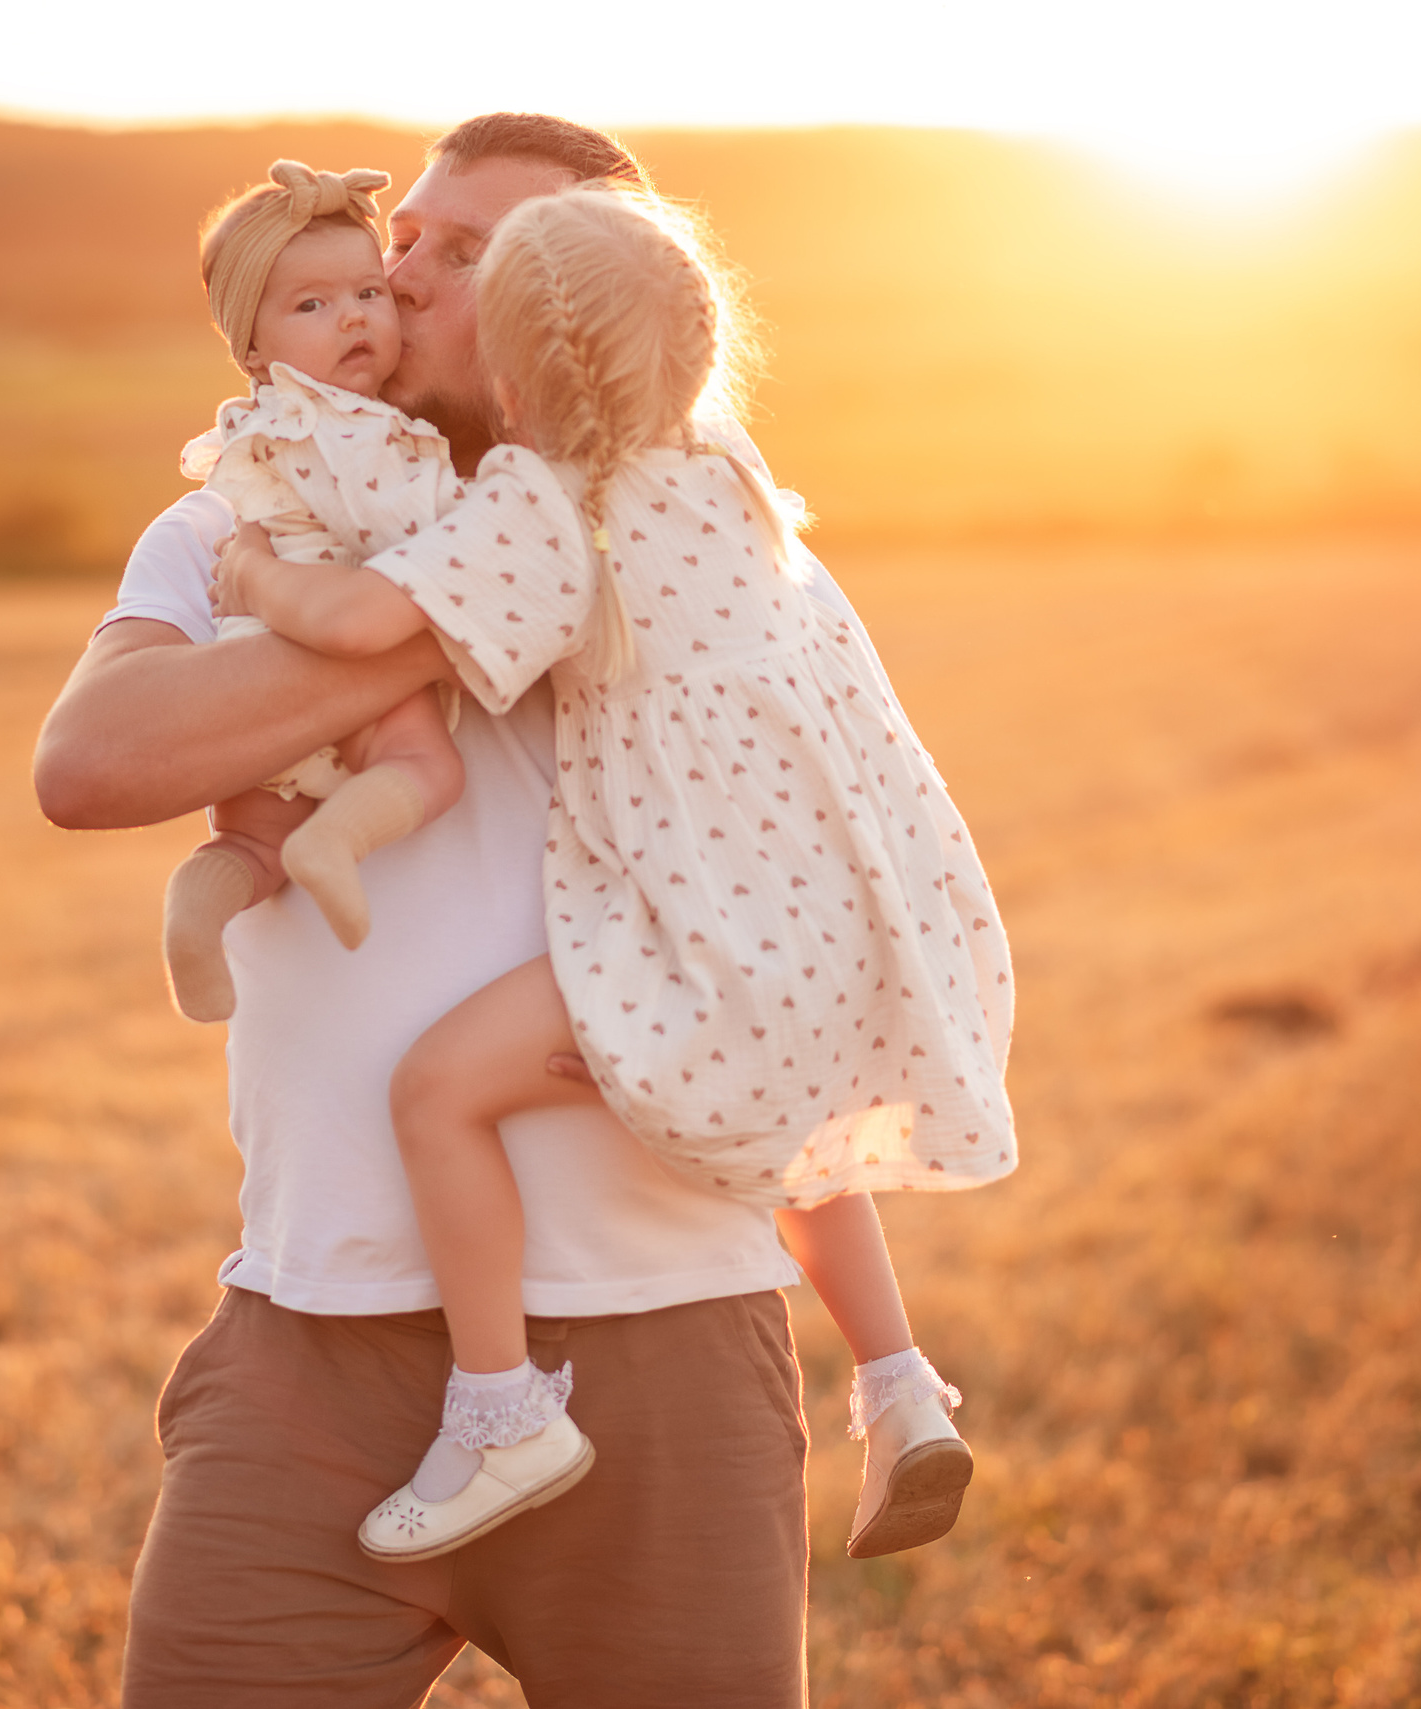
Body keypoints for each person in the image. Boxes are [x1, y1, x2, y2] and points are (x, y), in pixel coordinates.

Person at [33, 113, 930, 1709]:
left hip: (665, 1341)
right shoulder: (245, 519)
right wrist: (460, 605)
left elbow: (834, 874)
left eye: (478, 255)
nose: (411, 274)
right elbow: (92, 763)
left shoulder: (714, 542)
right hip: (310, 1340)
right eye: (417, 241)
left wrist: (533, 559)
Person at [224, 186, 1017, 1567]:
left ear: (516, 377)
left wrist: (249, 566)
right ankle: (898, 1386)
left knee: (437, 1088)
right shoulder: (724, 470)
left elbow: (360, 618)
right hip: (830, 930)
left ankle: (500, 1407)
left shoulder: (545, 502)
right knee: (781, 1121)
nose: (405, 288)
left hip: (705, 942)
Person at [159, 159, 465, 1022]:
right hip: (336, 631)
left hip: (251, 657)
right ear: (250, 348)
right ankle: (337, 839)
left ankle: (199, 905)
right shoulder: (356, 430)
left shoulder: (252, 429)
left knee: (251, 835)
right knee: (424, 763)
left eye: (370, 292)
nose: (355, 318)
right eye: (312, 306)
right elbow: (391, 523)